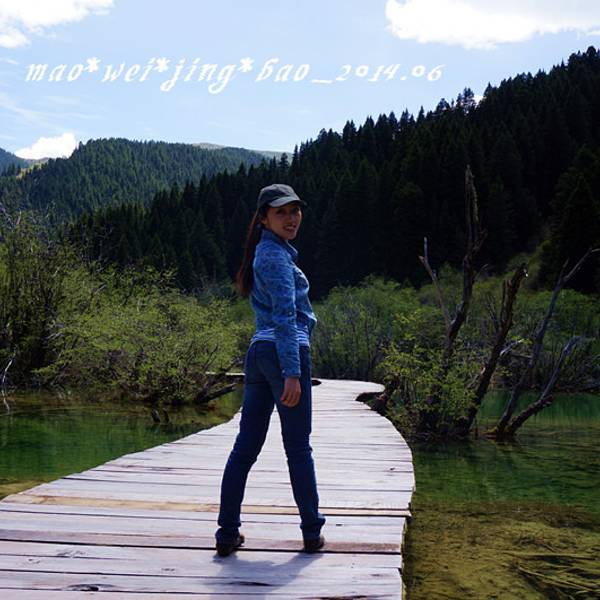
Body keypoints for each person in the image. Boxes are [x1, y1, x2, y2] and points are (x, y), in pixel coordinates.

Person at [214, 183, 326, 557]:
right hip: (283, 352)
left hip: (260, 353)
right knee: (298, 448)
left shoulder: (265, 252)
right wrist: (292, 372)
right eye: (281, 212)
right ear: (264, 218)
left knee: (245, 447)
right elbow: (285, 316)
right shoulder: (276, 258)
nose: (291, 218)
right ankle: (312, 532)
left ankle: (227, 532)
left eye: (295, 210)